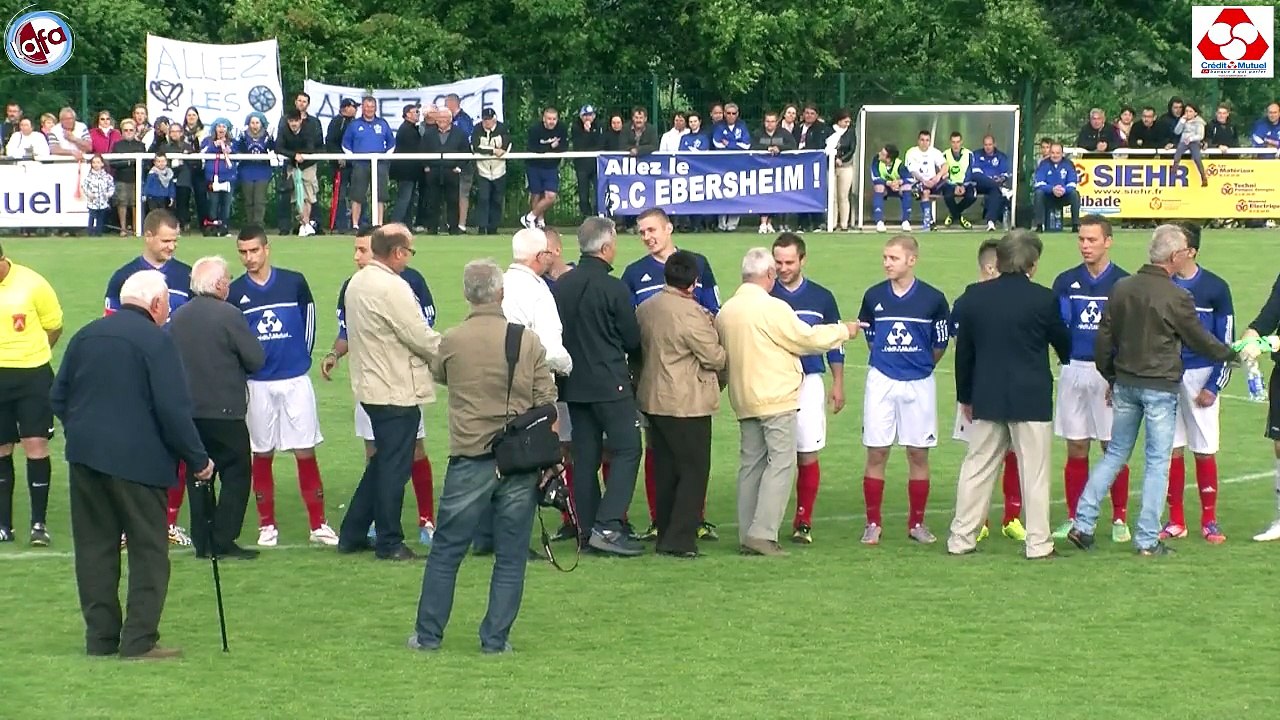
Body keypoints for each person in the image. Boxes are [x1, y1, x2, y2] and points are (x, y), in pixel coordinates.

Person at [52, 269, 214, 660]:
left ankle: (101, 639)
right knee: (148, 552)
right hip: (140, 465)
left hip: (86, 460)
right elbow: (174, 411)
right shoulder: (157, 343)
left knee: (94, 550)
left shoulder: (86, 335)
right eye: (167, 306)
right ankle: (139, 641)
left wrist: (84, 432)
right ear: (156, 305)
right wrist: (199, 460)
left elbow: (58, 398)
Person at [409, 260, 557, 654]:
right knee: (510, 557)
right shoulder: (526, 341)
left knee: (447, 551)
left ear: (466, 294)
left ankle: (428, 635)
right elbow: (546, 400)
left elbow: (441, 373)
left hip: (471, 457)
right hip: (518, 459)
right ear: (501, 293)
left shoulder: (452, 340)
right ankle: (495, 639)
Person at [1067, 225, 1237, 556]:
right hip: (1159, 386)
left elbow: (1105, 339)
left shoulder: (1122, 287)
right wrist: (1231, 354)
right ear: (1174, 257)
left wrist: (1112, 376)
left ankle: (1082, 522)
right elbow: (1198, 339)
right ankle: (1147, 538)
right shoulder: (1177, 296)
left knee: (1115, 454)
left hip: (1127, 382)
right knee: (1158, 461)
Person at [717, 248, 858, 556]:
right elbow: (806, 339)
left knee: (750, 466)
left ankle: (747, 531)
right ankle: (764, 534)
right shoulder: (773, 307)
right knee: (781, 464)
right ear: (768, 275)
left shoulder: (726, 311)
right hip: (775, 397)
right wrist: (843, 331)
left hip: (743, 397)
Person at [946, 231, 1069, 559]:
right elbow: (1063, 343)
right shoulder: (1043, 299)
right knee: (1035, 472)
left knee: (976, 468)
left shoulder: (974, 297)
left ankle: (961, 538)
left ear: (998, 260)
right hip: (1031, 396)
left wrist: (965, 396)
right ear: (1032, 263)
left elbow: (964, 355)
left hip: (987, 394)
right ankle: (1038, 544)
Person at [321, 225, 439, 546]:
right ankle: (389, 541)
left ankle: (353, 533)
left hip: (372, 385)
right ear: (398, 252)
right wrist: (456, 354)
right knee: (394, 468)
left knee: (381, 463)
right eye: (409, 251)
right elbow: (418, 334)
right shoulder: (393, 287)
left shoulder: (357, 283)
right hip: (396, 387)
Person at [228, 226, 338, 548]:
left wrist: (300, 358)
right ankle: (266, 526)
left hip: (294, 381)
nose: (249, 258)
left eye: (254, 251)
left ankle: (318, 523)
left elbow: (309, 319)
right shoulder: (235, 293)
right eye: (243, 252)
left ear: (267, 249)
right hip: (257, 384)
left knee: (305, 449)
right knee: (262, 452)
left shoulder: (294, 282)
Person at [620, 207, 721, 541]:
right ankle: (659, 519)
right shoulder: (634, 274)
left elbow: (713, 315)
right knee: (666, 455)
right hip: (656, 378)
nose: (648, 237)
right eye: (642, 232)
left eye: (652, 230)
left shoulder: (700, 263)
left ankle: (696, 518)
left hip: (689, 380)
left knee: (683, 457)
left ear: (668, 228)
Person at [550, 217, 644, 556]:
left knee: (584, 458)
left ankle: (587, 529)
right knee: (628, 449)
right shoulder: (614, 287)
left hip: (574, 385)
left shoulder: (562, 285)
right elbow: (633, 339)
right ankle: (607, 525)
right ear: (605, 247)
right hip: (610, 384)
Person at [103, 209, 194, 547]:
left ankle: (168, 523)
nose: (172, 247)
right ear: (149, 236)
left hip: (177, 374)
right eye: (166, 240)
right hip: (135, 379)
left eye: (175, 240)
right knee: (135, 450)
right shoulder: (123, 277)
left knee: (178, 448)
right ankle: (130, 525)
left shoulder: (187, 277)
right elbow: (111, 326)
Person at [169, 256, 265, 559]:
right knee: (236, 473)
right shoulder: (229, 315)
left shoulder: (179, 316)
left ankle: (203, 539)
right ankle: (223, 537)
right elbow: (255, 359)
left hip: (189, 412)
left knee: (199, 473)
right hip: (225, 411)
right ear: (220, 284)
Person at [856, 236, 950, 545]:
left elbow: (940, 344)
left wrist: (919, 364)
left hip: (919, 382)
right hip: (881, 380)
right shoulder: (873, 296)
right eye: (885, 257)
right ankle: (872, 523)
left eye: (893, 258)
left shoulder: (933, 299)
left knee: (918, 453)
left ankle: (917, 523)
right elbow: (871, 338)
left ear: (912, 260)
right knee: (877, 451)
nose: (886, 263)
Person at [635, 251, 726, 557]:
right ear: (693, 282)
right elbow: (715, 357)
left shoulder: (647, 308)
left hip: (653, 398)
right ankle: (680, 538)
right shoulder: (691, 314)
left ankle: (665, 532)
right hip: (687, 402)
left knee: (666, 469)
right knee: (693, 471)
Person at [1050, 215, 1131, 542]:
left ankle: (1119, 518)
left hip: (1109, 374)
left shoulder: (1124, 283)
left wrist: (1118, 376)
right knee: (1076, 445)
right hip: (1073, 371)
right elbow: (1057, 327)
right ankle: (1074, 517)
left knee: (1112, 446)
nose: (1085, 245)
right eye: (1081, 239)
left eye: (1092, 240)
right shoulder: (1065, 281)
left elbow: (1129, 334)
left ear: (1108, 241)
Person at [769, 234, 844, 544]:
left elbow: (835, 342)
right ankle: (766, 520)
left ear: (802, 260)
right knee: (770, 455)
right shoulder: (764, 294)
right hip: (771, 380)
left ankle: (803, 519)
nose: (783, 268)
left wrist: (838, 382)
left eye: (789, 262)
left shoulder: (822, 297)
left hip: (809, 382)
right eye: (778, 262)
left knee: (807, 452)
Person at [1162, 222, 1232, 544]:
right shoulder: (1162, 285)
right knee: (1171, 449)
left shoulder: (1216, 288)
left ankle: (1209, 520)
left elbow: (1225, 342)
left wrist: (1214, 386)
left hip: (1201, 375)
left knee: (1203, 450)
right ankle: (1176, 520)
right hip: (1165, 375)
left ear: (1189, 251)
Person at [951, 240, 1025, 543]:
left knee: (1014, 455)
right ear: (991, 268)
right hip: (979, 389)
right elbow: (961, 350)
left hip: (1013, 388)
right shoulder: (968, 301)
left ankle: (1012, 517)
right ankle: (977, 520)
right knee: (979, 456)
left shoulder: (1016, 300)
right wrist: (965, 394)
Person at [0, 244, 62, 545]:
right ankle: (3, 525)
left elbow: (54, 326)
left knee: (35, 444)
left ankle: (39, 524)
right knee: (1, 448)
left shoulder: (32, 284)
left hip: (32, 376)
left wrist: (36, 353)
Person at [522, 106, 568, 230]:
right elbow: (533, 148)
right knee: (536, 195)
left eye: (554, 119)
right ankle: (539, 222)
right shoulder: (535, 129)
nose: (551, 121)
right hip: (534, 165)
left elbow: (564, 147)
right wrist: (551, 147)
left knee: (550, 196)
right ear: (544, 119)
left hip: (551, 166)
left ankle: (529, 217)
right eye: (549, 118)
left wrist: (551, 149)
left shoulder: (562, 128)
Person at [1031, 143, 1081, 233]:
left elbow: (1072, 183)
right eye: (1053, 153)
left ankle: (1075, 225)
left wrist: (1063, 190)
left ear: (1062, 154)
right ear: (1050, 153)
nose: (1055, 155)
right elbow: (1039, 183)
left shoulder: (1069, 164)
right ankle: (1039, 225)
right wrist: (1052, 189)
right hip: (1048, 196)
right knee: (1038, 193)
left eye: (1058, 153)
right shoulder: (1043, 164)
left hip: (1064, 195)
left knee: (1075, 194)